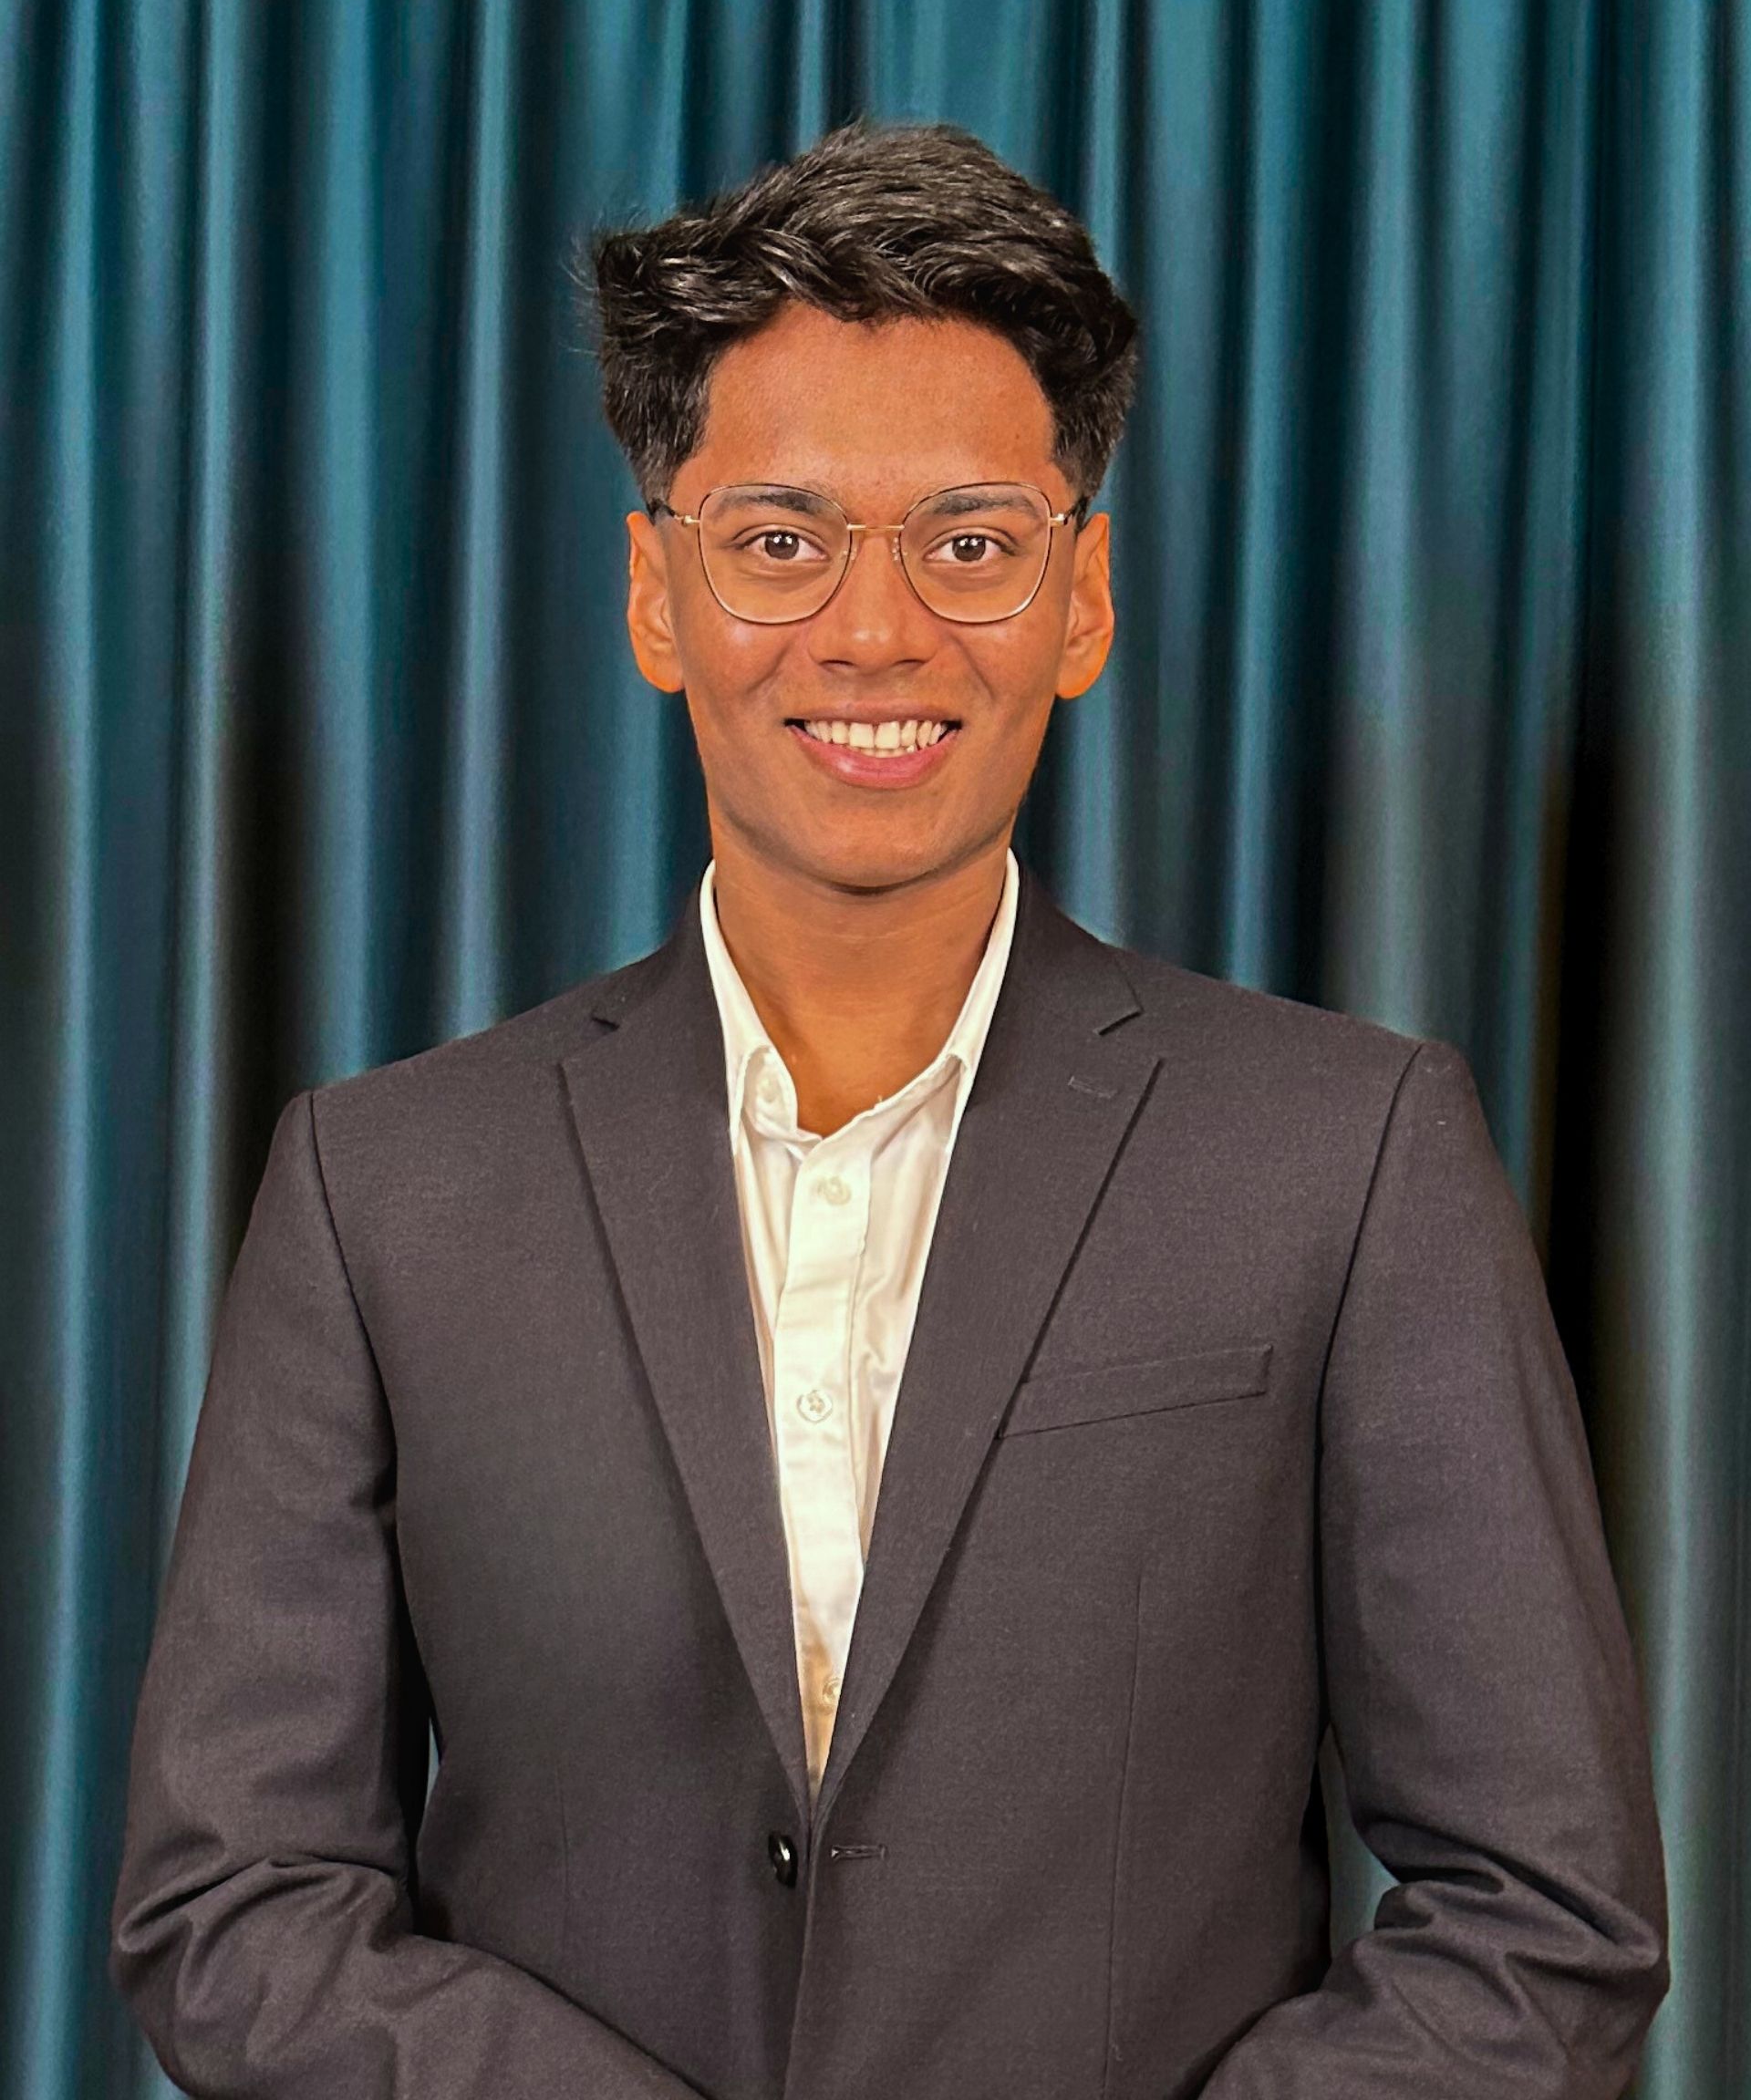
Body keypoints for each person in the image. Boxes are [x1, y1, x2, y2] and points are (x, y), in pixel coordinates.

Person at [110, 121, 1668, 2099]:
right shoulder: (384, 1187)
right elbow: (229, 1899)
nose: (873, 628)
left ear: (1080, 599)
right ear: (656, 595)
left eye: (969, 539)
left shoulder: (1349, 1156)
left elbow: (1551, 1913)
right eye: (778, 539)